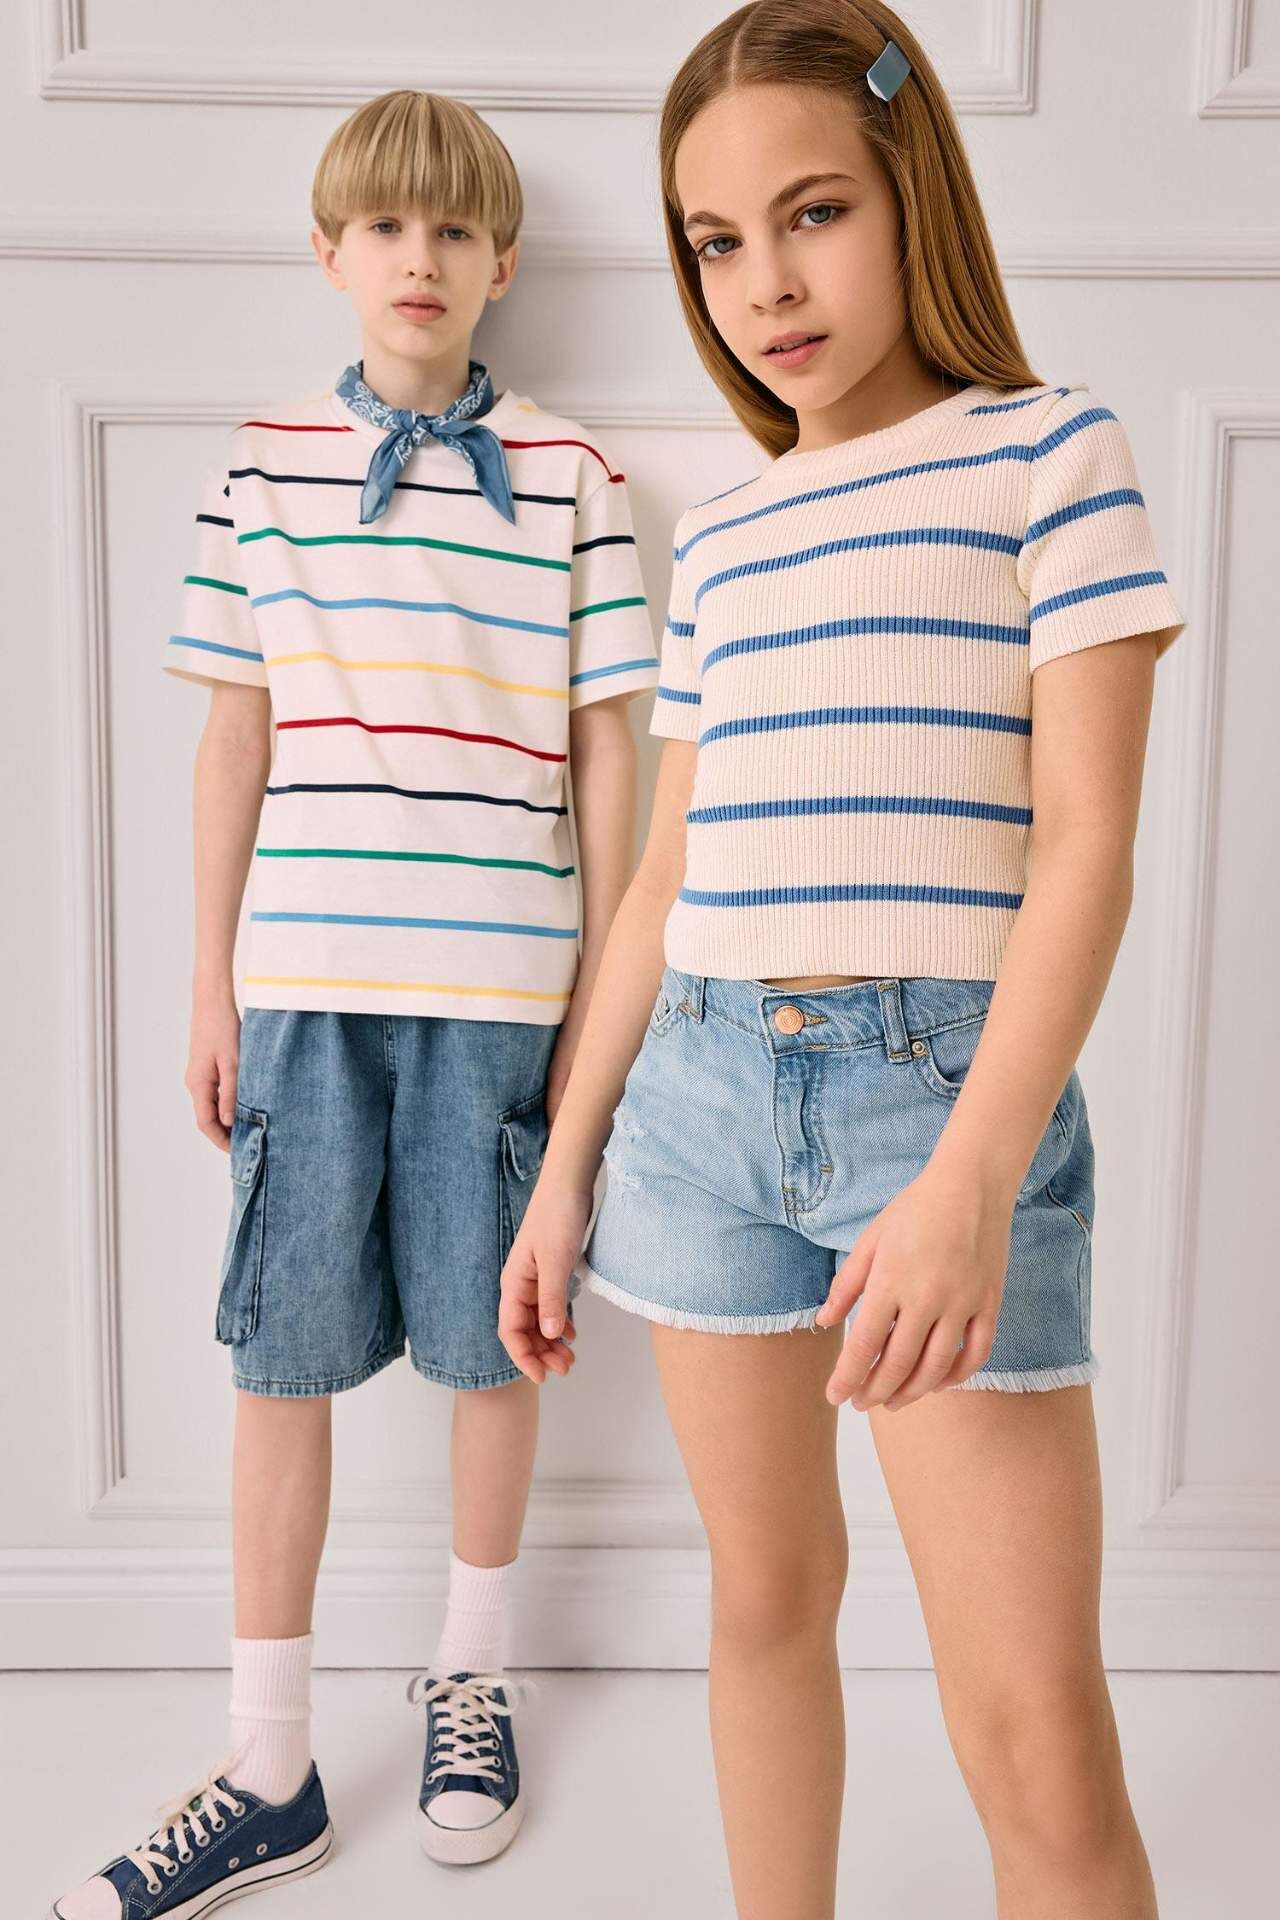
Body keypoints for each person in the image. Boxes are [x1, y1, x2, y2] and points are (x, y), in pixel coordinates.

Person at [498, 4, 1184, 1916]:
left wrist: (970, 1180)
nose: (766, 287)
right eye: (718, 242)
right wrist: (564, 1169)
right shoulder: (723, 536)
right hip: (696, 1115)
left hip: (940, 1108)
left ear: (913, 195)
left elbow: (1090, 851)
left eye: (813, 215)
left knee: (1034, 1734)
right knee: (763, 1605)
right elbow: (663, 881)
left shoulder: (1052, 455)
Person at [50, 88, 657, 1919]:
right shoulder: (262, 470)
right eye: (386, 227)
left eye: (455, 229)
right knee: (280, 1358)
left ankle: (471, 1676)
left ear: (503, 261)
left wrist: (600, 998)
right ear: (330, 254)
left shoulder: (571, 477)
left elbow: (608, 753)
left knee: (493, 1346)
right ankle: (270, 1759)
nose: (421, 258)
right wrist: (208, 983)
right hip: (306, 990)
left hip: (505, 992)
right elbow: (232, 739)